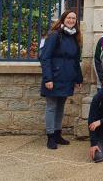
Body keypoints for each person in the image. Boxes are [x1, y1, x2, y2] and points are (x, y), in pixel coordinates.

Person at [40, 9, 83, 150]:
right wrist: (48, 78)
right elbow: (45, 57)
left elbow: (76, 60)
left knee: (60, 107)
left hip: (67, 77)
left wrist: (78, 78)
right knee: (52, 107)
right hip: (54, 77)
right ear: (63, 19)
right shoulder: (54, 35)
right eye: (69, 18)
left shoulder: (75, 37)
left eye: (74, 18)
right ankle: (50, 136)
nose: (71, 20)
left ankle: (58, 133)